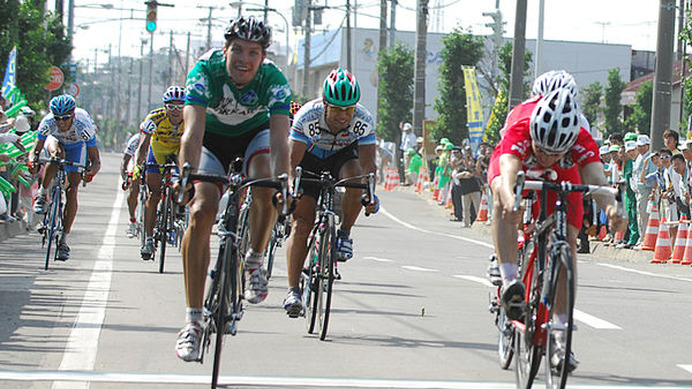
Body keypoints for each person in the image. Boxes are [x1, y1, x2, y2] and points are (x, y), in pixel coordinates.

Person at [174, 16, 292, 362]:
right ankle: (193, 323)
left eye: (253, 52)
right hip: (211, 139)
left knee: (264, 183)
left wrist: (283, 182)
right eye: (237, 50)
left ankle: (255, 258)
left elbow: (280, 140)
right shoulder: (205, 71)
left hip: (253, 136)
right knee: (201, 211)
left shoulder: (275, 80)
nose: (244, 59)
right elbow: (191, 133)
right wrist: (185, 176)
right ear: (225, 49)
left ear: (262, 56)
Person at [488, 87, 625, 372]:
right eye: (543, 149)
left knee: (569, 240)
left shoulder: (579, 138)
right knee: (503, 199)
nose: (547, 157)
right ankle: (511, 277)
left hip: (564, 173)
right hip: (516, 163)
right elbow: (508, 170)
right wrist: (513, 199)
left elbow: (597, 179)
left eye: (555, 151)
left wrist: (612, 209)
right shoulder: (521, 125)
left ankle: (561, 336)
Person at [282, 68, 379, 318]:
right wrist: (291, 189)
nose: (344, 115)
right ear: (325, 103)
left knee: (357, 181)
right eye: (337, 109)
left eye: (349, 109)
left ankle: (344, 234)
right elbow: (292, 162)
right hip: (309, 159)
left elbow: (369, 165)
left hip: (342, 157)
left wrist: (370, 193)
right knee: (301, 225)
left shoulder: (364, 119)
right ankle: (293, 290)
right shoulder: (307, 116)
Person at [29, 94, 101, 260]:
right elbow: (36, 150)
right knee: (56, 155)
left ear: (73, 116)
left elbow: (96, 160)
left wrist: (90, 172)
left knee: (72, 189)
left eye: (65, 118)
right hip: (56, 141)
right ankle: (42, 194)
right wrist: (33, 160)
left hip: (77, 146)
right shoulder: (47, 123)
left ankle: (64, 239)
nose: (61, 122)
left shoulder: (84, 126)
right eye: (58, 118)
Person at [136, 86, 186, 259]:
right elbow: (143, 144)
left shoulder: (190, 118)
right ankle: (149, 240)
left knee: (183, 181)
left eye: (180, 106)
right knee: (154, 194)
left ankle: (178, 208)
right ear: (164, 107)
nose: (175, 110)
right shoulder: (154, 118)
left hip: (178, 151)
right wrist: (139, 163)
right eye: (171, 106)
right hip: (157, 153)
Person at [120, 132, 141, 238]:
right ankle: (132, 220)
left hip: (153, 162)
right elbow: (125, 160)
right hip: (136, 163)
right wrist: (125, 178)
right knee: (134, 190)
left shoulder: (161, 136)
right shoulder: (135, 140)